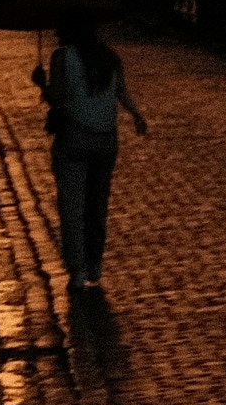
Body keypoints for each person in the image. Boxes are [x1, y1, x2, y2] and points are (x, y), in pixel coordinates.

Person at [39, 18, 148, 285]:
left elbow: (56, 98)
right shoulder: (108, 56)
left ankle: (76, 270)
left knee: (72, 206)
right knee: (97, 205)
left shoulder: (62, 57)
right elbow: (121, 91)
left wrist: (41, 84)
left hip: (74, 136)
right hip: (106, 138)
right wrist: (136, 114)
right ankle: (94, 264)